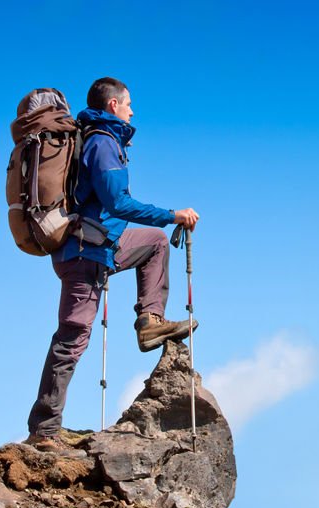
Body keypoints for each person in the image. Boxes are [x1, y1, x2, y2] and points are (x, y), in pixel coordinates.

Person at [25, 77, 199, 453]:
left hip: (99, 246)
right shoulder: (103, 142)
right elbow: (118, 202)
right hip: (84, 253)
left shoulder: (99, 139)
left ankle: (150, 323)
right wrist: (172, 215)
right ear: (112, 106)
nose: (133, 110)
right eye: (128, 103)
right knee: (72, 338)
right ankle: (44, 429)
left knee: (152, 244)